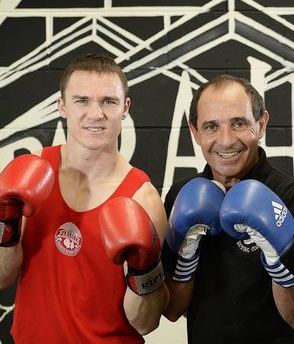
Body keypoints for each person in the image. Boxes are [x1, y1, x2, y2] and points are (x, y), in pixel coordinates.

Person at [0, 53, 169, 343]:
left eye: (108, 101)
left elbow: (145, 323)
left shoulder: (143, 198)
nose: (96, 113)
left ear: (125, 108)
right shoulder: (31, 172)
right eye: (82, 101)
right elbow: (2, 278)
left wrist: (146, 268)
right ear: (62, 106)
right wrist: (7, 224)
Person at [161, 74, 294, 343]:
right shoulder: (181, 197)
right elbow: (172, 310)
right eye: (211, 126)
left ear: (261, 123)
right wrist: (183, 256)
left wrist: (279, 254)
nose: (226, 140)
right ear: (195, 132)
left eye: (239, 123)